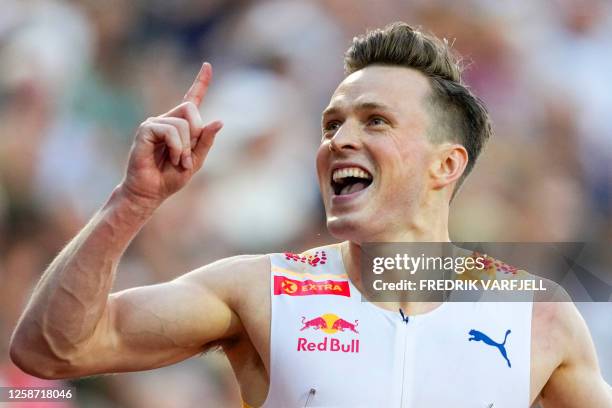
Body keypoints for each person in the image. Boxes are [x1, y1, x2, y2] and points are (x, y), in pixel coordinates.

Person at [10, 22, 611, 407]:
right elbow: (52, 350)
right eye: (331, 124)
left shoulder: (537, 316)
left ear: (445, 165)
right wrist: (131, 204)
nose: (339, 140)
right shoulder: (260, 291)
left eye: (375, 120)